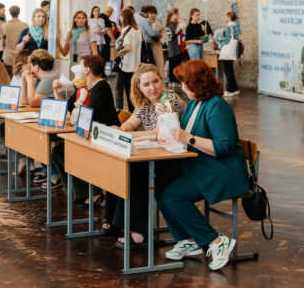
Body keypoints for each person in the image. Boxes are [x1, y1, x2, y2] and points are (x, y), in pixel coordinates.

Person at [156, 59, 249, 270]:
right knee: (159, 184)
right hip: (201, 165)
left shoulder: (217, 105)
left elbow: (223, 146)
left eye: (184, 82)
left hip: (221, 170)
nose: (181, 86)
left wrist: (188, 138)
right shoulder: (195, 103)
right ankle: (187, 241)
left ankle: (216, 241)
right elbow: (182, 132)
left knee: (173, 195)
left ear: (196, 83)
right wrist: (166, 117)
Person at [108, 64, 187, 247]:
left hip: (175, 159)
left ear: (162, 80)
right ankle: (119, 222)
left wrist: (125, 134)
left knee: (135, 173)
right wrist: (121, 129)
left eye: (156, 81)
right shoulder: (144, 104)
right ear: (139, 88)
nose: (153, 88)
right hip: (158, 156)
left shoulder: (169, 100)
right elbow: (130, 124)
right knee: (122, 168)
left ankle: (139, 232)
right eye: (146, 84)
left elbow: (158, 134)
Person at [51, 54, 119, 202]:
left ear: (87, 70)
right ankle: (79, 192)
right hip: (89, 133)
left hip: (104, 134)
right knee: (58, 151)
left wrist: (74, 114)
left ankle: (92, 192)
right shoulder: (84, 87)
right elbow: (65, 108)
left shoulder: (101, 87)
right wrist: (57, 91)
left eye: (80, 66)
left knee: (67, 150)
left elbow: (90, 113)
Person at [114, 8, 142, 111]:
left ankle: (119, 111)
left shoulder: (126, 29)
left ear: (124, 17)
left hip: (125, 64)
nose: (120, 18)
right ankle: (133, 112)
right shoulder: (138, 29)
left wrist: (121, 51)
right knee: (131, 90)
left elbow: (128, 47)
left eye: (121, 16)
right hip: (135, 64)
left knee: (118, 89)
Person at [217, 12, 241, 97]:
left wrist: (218, 41)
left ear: (228, 17)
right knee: (230, 70)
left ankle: (230, 90)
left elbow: (226, 40)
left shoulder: (229, 27)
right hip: (232, 52)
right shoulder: (236, 27)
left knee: (228, 72)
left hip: (227, 52)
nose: (225, 18)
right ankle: (235, 89)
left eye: (226, 16)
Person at [1, 5, 28, 76]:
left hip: (8, 56)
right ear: (19, 13)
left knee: (10, 79)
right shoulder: (25, 25)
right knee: (21, 79)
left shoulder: (4, 25)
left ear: (10, 13)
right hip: (21, 56)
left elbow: (3, 42)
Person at [146, 5, 166, 77]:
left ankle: (160, 77)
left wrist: (160, 32)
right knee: (153, 62)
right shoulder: (146, 22)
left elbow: (161, 35)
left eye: (154, 13)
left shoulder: (157, 21)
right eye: (151, 13)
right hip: (151, 44)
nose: (153, 15)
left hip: (158, 44)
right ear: (148, 13)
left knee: (160, 62)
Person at [165, 8, 184, 82]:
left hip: (175, 47)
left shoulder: (172, 24)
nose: (178, 16)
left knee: (174, 65)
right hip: (174, 47)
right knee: (174, 65)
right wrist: (181, 23)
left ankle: (174, 80)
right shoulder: (172, 24)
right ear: (173, 15)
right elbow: (173, 35)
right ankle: (173, 81)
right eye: (177, 14)